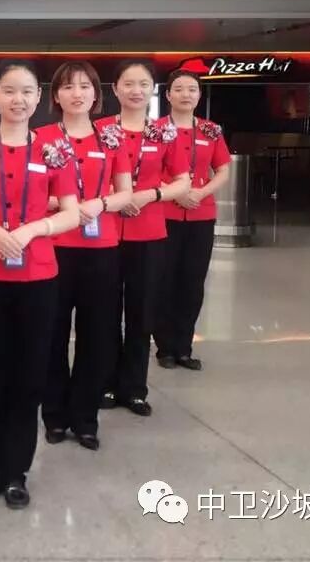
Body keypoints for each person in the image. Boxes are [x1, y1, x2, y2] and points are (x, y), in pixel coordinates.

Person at [0, 61, 80, 509]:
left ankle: (18, 472)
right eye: (9, 91)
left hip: (38, 276)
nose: (18, 100)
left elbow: (72, 212)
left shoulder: (54, 149)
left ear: (39, 97)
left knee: (29, 378)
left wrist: (33, 230)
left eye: (27, 91)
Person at [34, 61, 133, 452]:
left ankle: (85, 418)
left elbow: (125, 192)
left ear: (96, 94)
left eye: (85, 86)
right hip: (53, 249)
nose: (77, 94)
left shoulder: (110, 139)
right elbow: (30, 192)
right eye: (68, 87)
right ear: (55, 95)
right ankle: (54, 415)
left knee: (98, 336)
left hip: (101, 250)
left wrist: (100, 204)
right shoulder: (41, 138)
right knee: (52, 334)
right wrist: (61, 205)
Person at [98, 61, 191, 417]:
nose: (136, 90)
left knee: (142, 311)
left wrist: (150, 195)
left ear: (152, 89)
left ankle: (135, 387)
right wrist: (114, 197)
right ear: (115, 89)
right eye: (128, 83)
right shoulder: (101, 130)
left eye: (143, 84)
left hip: (149, 231)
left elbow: (183, 181)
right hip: (106, 232)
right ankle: (105, 383)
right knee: (105, 311)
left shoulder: (164, 133)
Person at [157, 70, 231, 372]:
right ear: (168, 95)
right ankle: (164, 347)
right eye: (179, 89)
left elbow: (223, 169)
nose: (185, 94)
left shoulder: (211, 131)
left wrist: (201, 192)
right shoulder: (156, 130)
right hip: (165, 215)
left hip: (201, 214)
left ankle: (184, 347)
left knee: (193, 282)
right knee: (164, 281)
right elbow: (145, 171)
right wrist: (175, 193)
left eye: (192, 89)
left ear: (199, 95)